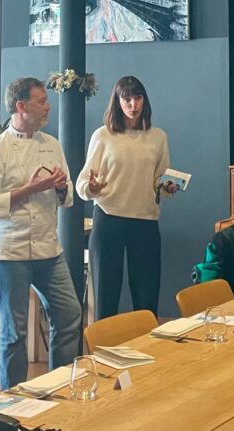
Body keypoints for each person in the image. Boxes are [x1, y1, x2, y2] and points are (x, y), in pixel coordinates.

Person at [0, 77, 81, 390]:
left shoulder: (52, 144)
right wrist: (29, 189)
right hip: (10, 253)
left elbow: (70, 196)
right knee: (14, 333)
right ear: (20, 106)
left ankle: (60, 387)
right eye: (41, 101)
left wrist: (61, 187)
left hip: (50, 249)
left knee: (70, 315)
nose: (48, 106)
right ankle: (12, 401)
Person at [76, 75, 172, 320]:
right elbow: (82, 185)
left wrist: (167, 188)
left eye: (137, 98)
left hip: (145, 220)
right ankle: (103, 353)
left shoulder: (157, 136)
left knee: (147, 297)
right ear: (117, 102)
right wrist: (93, 188)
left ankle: (148, 351)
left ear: (144, 101)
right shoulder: (103, 136)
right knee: (106, 296)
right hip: (109, 218)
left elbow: (159, 179)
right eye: (126, 99)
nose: (133, 105)